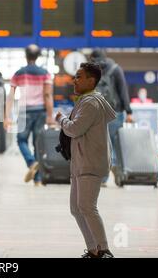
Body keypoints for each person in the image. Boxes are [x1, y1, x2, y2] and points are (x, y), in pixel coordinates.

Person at [56, 62, 116, 258]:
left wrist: (61, 119)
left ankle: (103, 249)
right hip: (81, 162)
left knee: (87, 207)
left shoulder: (91, 102)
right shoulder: (85, 100)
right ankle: (93, 249)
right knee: (76, 208)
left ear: (92, 80)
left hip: (90, 162)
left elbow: (74, 129)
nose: (75, 80)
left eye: (79, 76)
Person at [4, 44, 55, 186]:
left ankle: (32, 163)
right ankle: (37, 179)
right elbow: (47, 95)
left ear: (26, 56)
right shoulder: (45, 73)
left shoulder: (19, 73)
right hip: (40, 111)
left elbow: (10, 96)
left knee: (21, 140)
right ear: (38, 56)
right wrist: (50, 115)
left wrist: (6, 117)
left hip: (24, 111)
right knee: (37, 144)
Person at [89, 49, 132, 187]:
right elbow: (123, 91)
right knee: (114, 143)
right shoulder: (116, 69)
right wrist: (129, 111)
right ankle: (115, 167)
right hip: (115, 112)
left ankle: (103, 178)